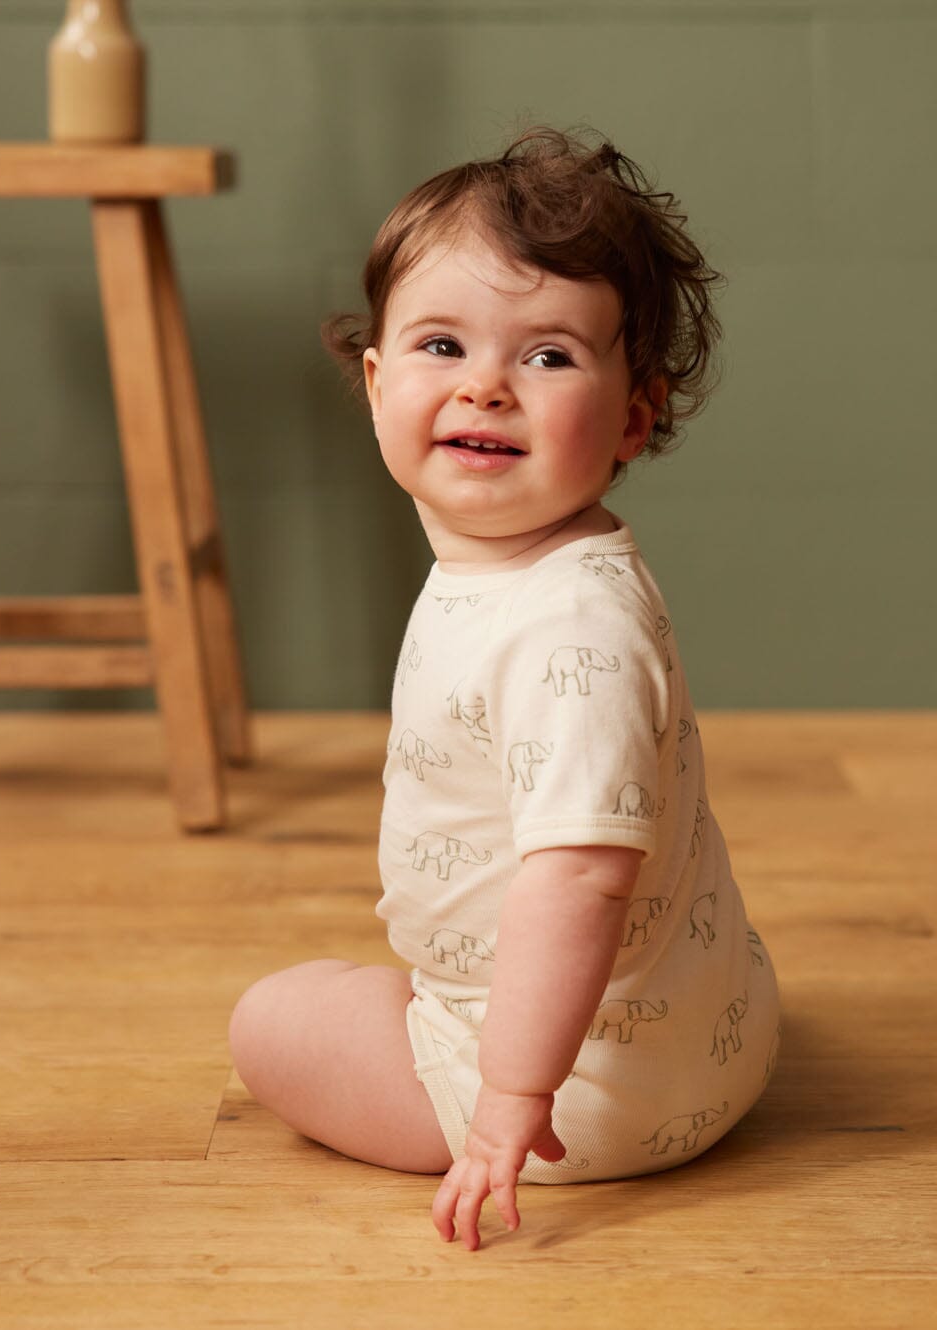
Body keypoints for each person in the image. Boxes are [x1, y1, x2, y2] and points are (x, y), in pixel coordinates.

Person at [228, 126, 781, 1251]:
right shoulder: (518, 567)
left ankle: (514, 1084)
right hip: (705, 1031)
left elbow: (578, 878)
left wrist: (510, 1104)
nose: (486, 383)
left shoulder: (569, 629)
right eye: (443, 343)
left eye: (548, 357)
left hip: (582, 1098)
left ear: (634, 414)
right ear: (377, 381)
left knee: (273, 1019)